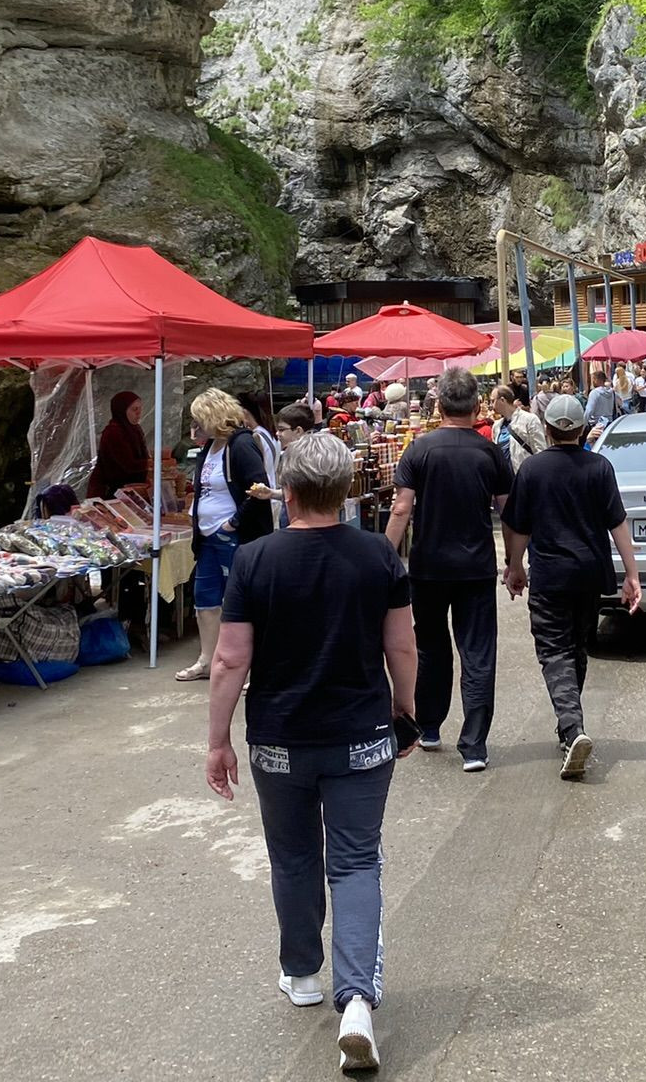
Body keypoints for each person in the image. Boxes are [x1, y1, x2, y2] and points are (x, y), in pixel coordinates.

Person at [206, 431, 416, 1074]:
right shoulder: (379, 557)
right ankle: (357, 1002)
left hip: (279, 740)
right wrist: (405, 712)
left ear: (287, 491)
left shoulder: (254, 561)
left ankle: (301, 974)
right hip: (359, 738)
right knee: (355, 862)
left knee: (292, 856)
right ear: (348, 490)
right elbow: (402, 647)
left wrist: (217, 740)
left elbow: (228, 658)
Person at [500, 394, 643, 780]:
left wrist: (514, 567)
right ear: (582, 431)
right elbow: (618, 523)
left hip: (550, 575)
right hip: (590, 575)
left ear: (546, 429)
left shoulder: (532, 470)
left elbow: (519, 527)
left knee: (554, 651)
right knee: (576, 647)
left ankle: (572, 727)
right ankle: (569, 729)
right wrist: (633, 575)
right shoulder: (599, 467)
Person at [386, 367, 515, 771]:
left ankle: (429, 727)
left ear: (438, 404)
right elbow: (508, 512)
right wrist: (515, 563)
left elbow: (402, 508)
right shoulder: (490, 452)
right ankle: (474, 746)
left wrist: (384, 560)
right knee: (477, 652)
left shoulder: (419, 450)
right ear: (477, 405)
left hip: (428, 567)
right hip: (476, 567)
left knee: (430, 647)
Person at [176, 389, 275, 682]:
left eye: (198, 419)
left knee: (240, 600)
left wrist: (233, 523)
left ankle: (248, 664)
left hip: (231, 535)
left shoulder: (241, 445)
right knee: (205, 599)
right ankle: (208, 659)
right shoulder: (210, 448)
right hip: (208, 535)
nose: (194, 426)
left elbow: (259, 489)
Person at [88, 390, 151, 499]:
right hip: (111, 492)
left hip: (129, 490)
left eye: (140, 408)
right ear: (122, 411)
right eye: (134, 409)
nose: (139, 413)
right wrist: (151, 464)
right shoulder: (113, 432)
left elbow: (143, 455)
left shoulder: (135, 429)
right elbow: (128, 464)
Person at [490, 384, 548, 471]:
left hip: (526, 477)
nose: (491, 405)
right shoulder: (497, 426)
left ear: (502, 400)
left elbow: (540, 451)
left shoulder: (530, 420)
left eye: (493, 401)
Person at [584, 368, 619, 440]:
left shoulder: (595, 393)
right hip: (609, 423)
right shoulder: (612, 392)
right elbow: (619, 404)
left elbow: (589, 410)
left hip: (597, 425)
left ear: (597, 380)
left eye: (593, 379)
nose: (592, 381)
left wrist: (583, 424)